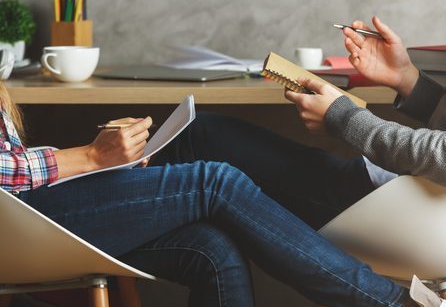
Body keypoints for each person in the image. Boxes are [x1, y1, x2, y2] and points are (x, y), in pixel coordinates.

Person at [0, 17, 439, 307]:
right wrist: (409, 82)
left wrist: (96, 161)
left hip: (419, 208)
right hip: (21, 217)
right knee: (210, 192)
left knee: (212, 191)